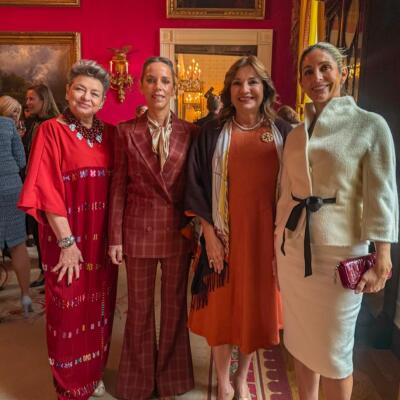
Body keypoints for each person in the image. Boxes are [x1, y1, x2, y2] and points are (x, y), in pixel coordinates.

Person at [275, 42, 398, 400]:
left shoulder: (370, 125)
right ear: (301, 81)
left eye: (325, 68)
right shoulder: (295, 134)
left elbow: (382, 195)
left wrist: (383, 257)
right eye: (308, 71)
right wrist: (275, 249)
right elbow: (285, 197)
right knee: (300, 345)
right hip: (294, 254)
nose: (317, 77)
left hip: (340, 256)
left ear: (342, 73)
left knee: (335, 355)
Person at [185, 55, 292, 400]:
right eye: (237, 83)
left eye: (253, 82)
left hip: (265, 241)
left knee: (252, 313)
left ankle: (242, 377)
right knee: (221, 311)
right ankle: (223, 379)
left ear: (265, 88)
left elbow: (297, 189)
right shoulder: (212, 132)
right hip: (222, 237)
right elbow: (195, 183)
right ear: (229, 90)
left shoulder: (284, 132)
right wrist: (209, 235)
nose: (245, 89)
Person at [18, 60, 118, 400]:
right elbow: (45, 189)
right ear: (68, 91)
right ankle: (69, 386)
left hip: (101, 242)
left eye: (94, 93)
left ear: (103, 100)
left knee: (98, 310)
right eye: (80, 89)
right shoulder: (51, 131)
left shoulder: (111, 135)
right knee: (67, 313)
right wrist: (67, 242)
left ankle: (93, 374)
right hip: (66, 241)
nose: (86, 97)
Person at [108, 56, 198, 400]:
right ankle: (138, 382)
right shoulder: (125, 131)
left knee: (175, 308)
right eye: (151, 79)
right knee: (139, 310)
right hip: (137, 231)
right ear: (141, 86)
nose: (158, 86)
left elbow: (196, 187)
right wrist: (114, 238)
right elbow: (118, 187)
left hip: (177, 232)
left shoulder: (191, 132)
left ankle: (172, 379)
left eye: (165, 80)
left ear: (174, 87)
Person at [23, 83, 60, 288]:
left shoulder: (53, 124)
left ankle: (51, 274)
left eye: (32, 98)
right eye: (27, 98)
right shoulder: (34, 122)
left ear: (44, 100)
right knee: (38, 233)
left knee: (49, 233)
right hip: (33, 183)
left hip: (47, 186)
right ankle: (44, 271)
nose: (27, 102)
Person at [0, 109, 32, 317]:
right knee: (18, 244)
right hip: (11, 186)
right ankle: (26, 296)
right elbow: (21, 161)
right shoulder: (7, 124)